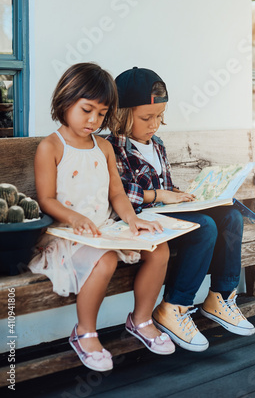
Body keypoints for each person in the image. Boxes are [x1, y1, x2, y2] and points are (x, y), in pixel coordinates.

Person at [29, 63, 175, 373]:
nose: (93, 120)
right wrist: (75, 218)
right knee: (106, 260)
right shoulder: (50, 147)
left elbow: (117, 195)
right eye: (87, 110)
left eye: (101, 113)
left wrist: (132, 220)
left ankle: (142, 320)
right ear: (65, 101)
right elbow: (47, 199)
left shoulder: (104, 147)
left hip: (105, 226)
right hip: (68, 232)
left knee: (158, 248)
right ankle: (85, 333)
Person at [107, 66, 255, 352]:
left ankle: (220, 297)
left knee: (232, 216)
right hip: (139, 219)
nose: (154, 124)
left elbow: (166, 187)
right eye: (146, 118)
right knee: (204, 227)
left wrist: (187, 195)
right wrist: (159, 194)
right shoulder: (112, 147)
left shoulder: (158, 145)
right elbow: (118, 194)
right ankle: (173, 306)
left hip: (165, 212)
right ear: (121, 115)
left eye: (160, 117)